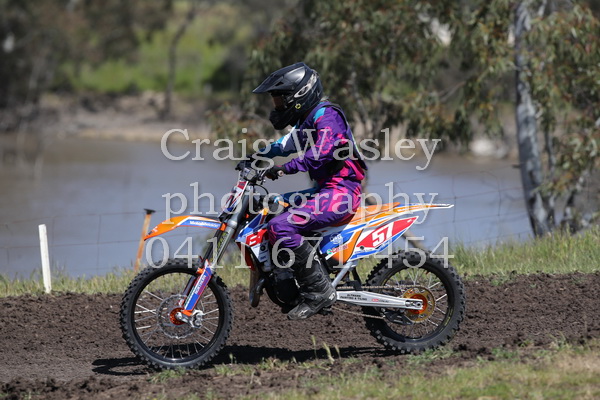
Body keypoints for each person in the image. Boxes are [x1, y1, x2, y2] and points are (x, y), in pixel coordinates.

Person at [251, 62, 367, 320]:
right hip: (326, 190)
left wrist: (284, 169)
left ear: (298, 96)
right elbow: (283, 145)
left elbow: (321, 153)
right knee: (270, 207)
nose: (277, 106)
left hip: (341, 193)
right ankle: (285, 277)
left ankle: (319, 291)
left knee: (281, 227)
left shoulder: (327, 116)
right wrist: (255, 157)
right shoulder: (308, 120)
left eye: (280, 100)